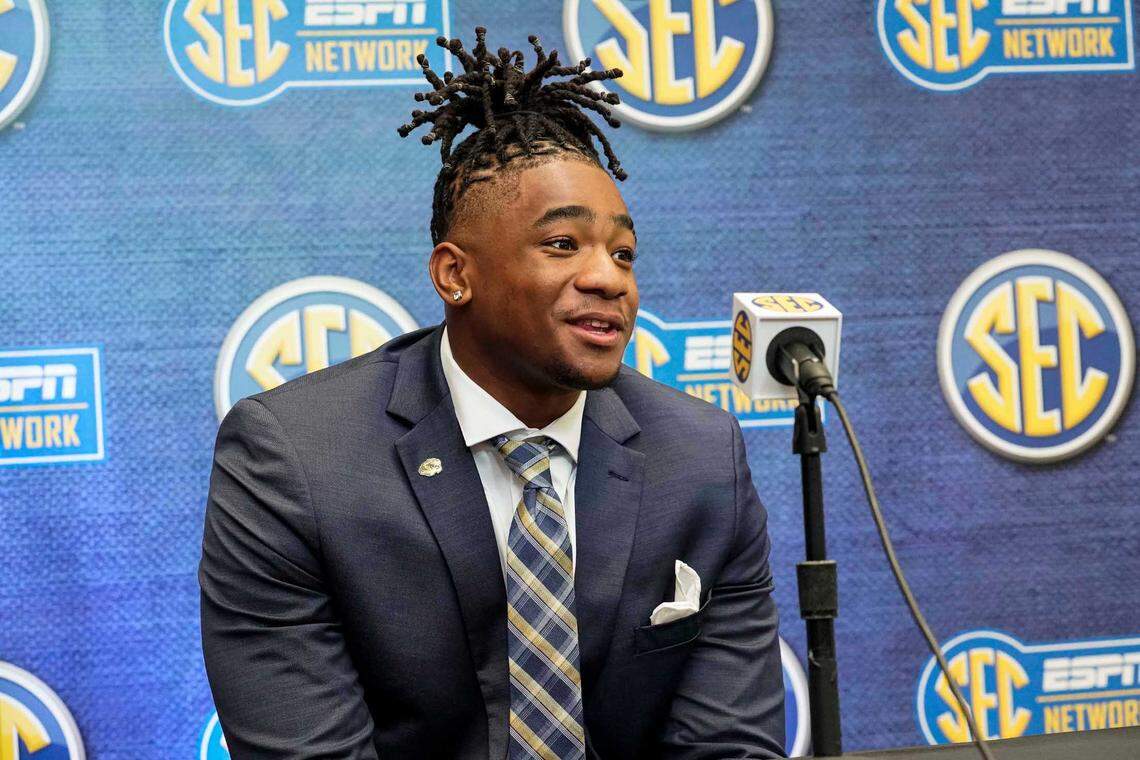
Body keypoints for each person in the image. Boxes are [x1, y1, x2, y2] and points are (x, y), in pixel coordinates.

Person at [200, 27, 785, 759]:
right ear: (455, 275)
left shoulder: (699, 459)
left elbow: (728, 745)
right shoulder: (297, 462)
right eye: (563, 245)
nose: (610, 278)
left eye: (624, 253)